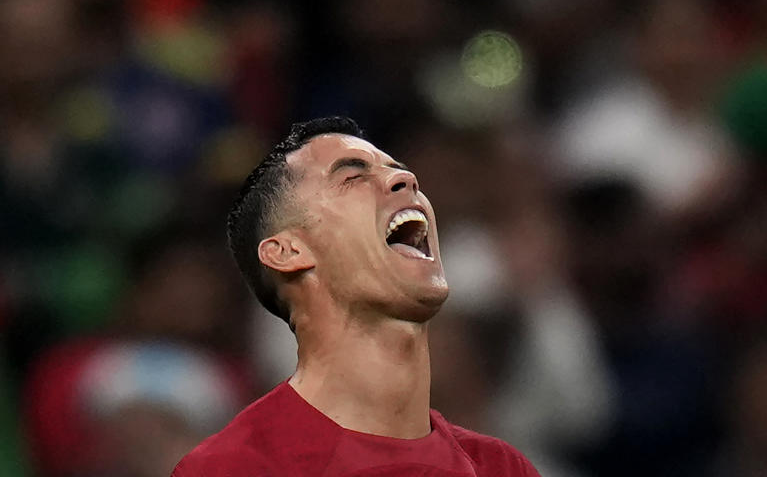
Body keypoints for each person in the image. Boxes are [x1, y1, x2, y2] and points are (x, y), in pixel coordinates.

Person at [172, 116, 541, 476]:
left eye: (398, 169)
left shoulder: (502, 467)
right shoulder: (232, 468)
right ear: (288, 251)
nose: (406, 179)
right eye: (352, 176)